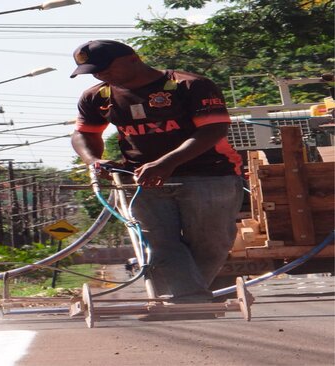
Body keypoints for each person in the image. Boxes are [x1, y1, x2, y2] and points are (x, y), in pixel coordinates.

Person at [70, 40, 244, 303]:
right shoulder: (97, 96)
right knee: (159, 245)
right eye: (93, 71)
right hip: (141, 181)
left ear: (132, 59)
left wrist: (167, 162)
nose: (99, 75)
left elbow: (213, 130)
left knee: (211, 243)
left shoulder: (189, 85)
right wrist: (94, 159)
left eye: (105, 68)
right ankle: (188, 303)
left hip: (209, 175)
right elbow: (83, 134)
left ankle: (188, 297)